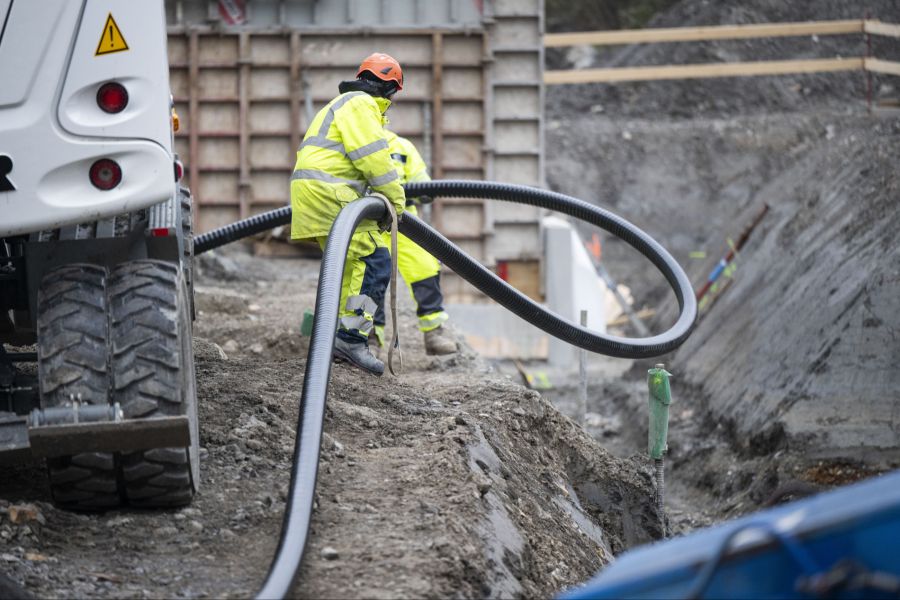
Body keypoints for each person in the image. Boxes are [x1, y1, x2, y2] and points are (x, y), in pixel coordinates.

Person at [290, 53, 406, 376]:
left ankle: (332, 337)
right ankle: (351, 339)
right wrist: (396, 203)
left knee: (347, 267)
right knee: (376, 261)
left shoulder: (342, 103)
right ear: (391, 89)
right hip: (329, 192)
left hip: (315, 193)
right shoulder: (361, 104)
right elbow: (373, 159)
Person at [371, 130, 457, 356]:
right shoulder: (357, 143)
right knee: (369, 274)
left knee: (425, 266)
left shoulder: (402, 146)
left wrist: (424, 190)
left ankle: (434, 332)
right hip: (368, 224)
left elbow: (420, 179)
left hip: (404, 222)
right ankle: (367, 336)